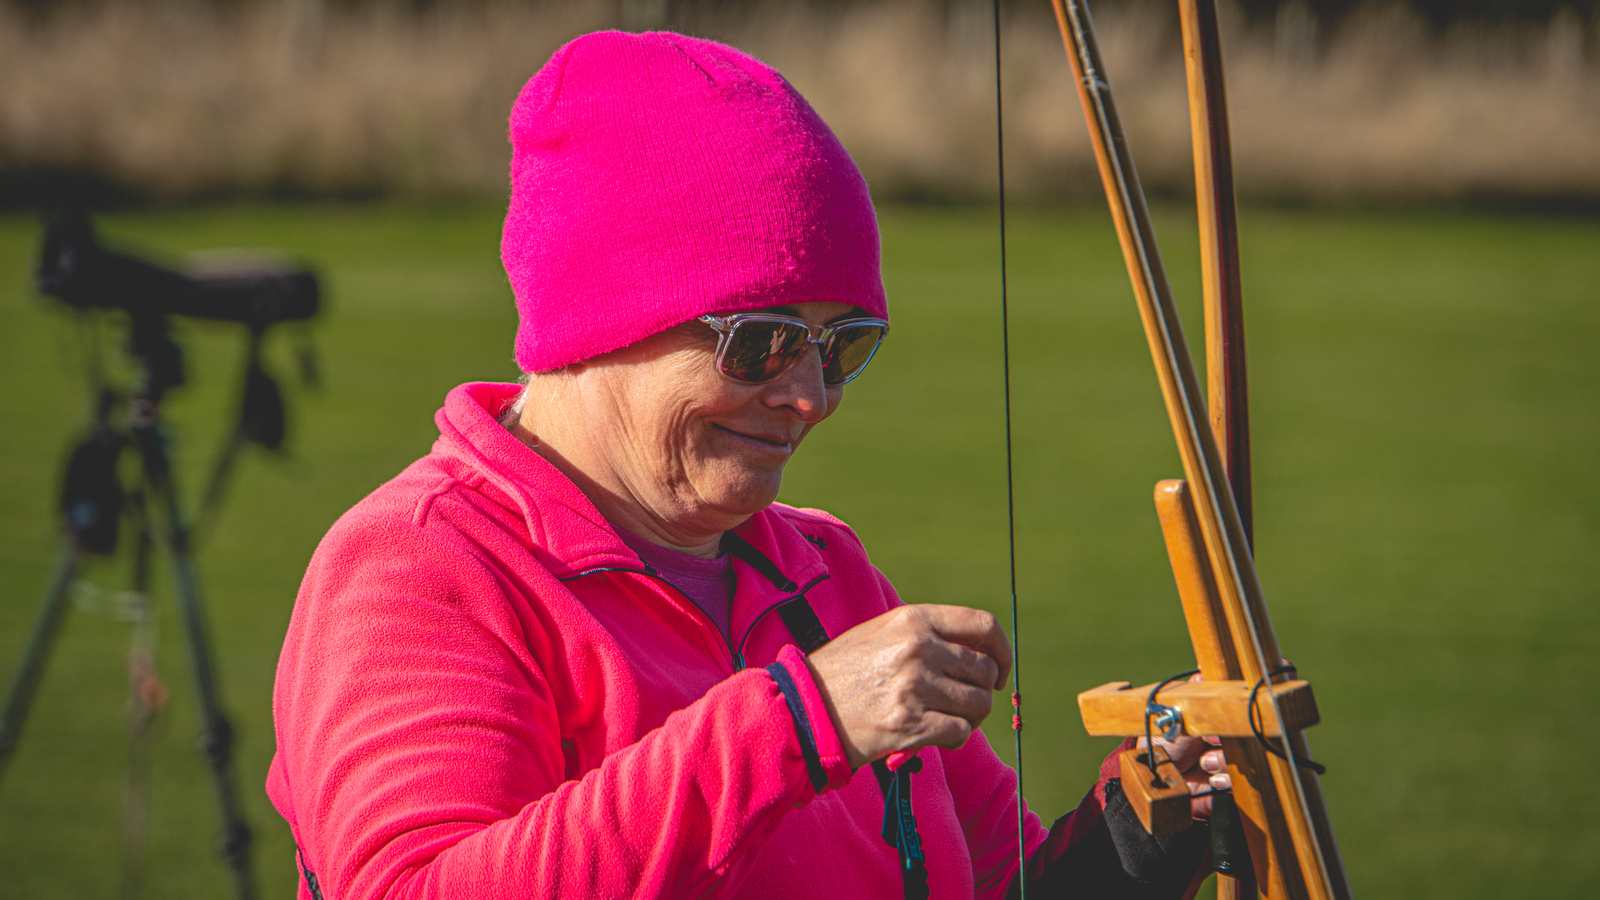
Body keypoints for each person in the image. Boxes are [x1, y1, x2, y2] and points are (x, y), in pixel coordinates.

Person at [268, 30, 1228, 900]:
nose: (811, 395)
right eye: (762, 340)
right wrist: (801, 724)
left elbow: (1000, 884)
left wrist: (1148, 828)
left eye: (841, 344)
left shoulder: (825, 570)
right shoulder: (419, 567)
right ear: (600, 326)